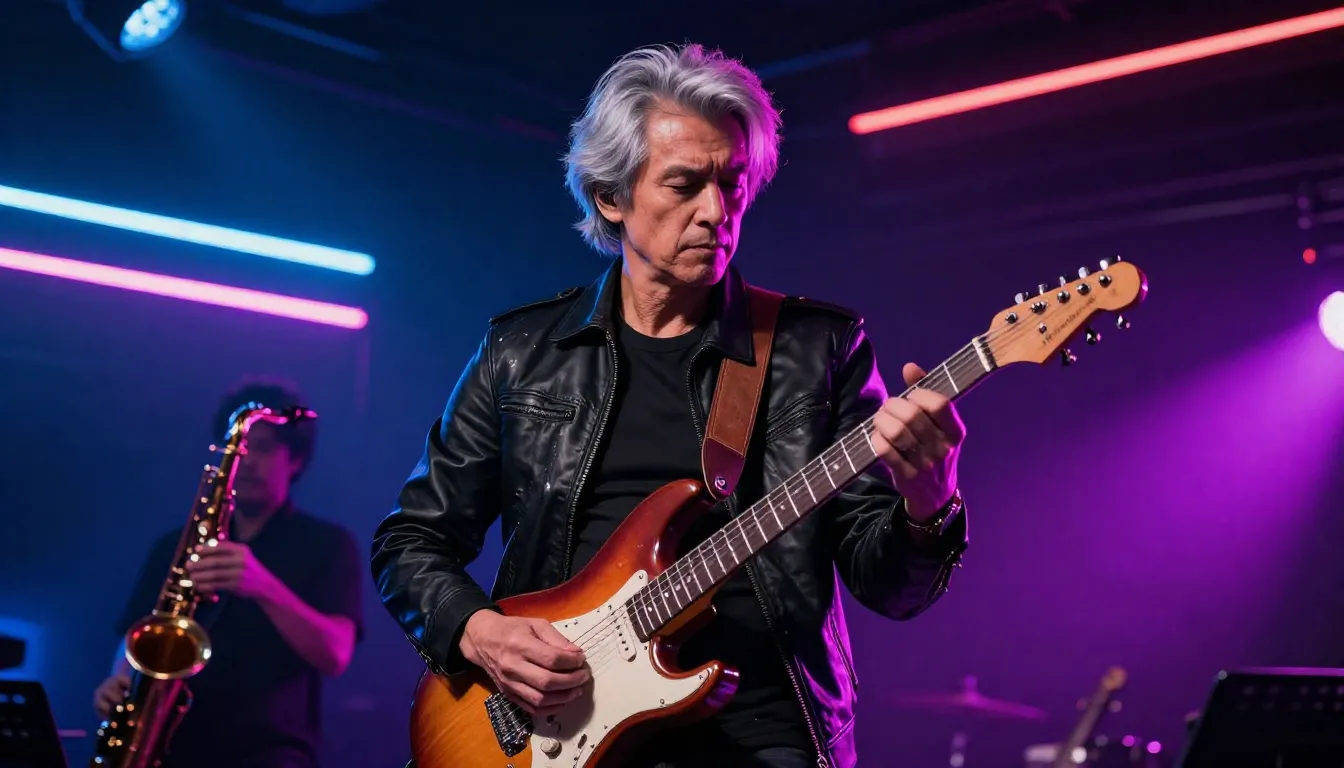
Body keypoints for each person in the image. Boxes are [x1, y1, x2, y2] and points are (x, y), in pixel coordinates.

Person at [371, 43, 970, 768]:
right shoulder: (521, 351)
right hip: (556, 728)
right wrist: (477, 631)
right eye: (684, 184)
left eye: (732, 183)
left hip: (762, 733)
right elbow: (411, 540)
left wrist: (927, 503)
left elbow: (892, 590)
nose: (716, 211)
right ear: (611, 197)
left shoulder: (818, 348)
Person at [94, 380, 364, 768]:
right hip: (170, 750)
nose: (247, 461)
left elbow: (335, 653)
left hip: (268, 753)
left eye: (264, 448)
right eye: (240, 448)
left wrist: (263, 586)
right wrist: (116, 678)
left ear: (296, 461)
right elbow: (138, 631)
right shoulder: (175, 544)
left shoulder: (327, 544)